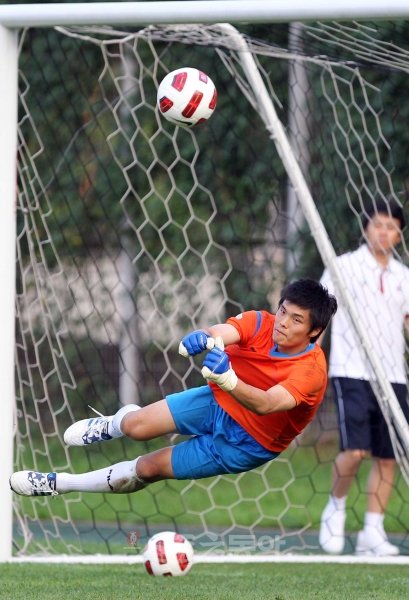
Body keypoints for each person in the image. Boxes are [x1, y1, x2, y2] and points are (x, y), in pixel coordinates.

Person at [10, 279, 337, 500]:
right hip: (216, 402)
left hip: (248, 444)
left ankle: (59, 484)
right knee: (136, 427)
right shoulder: (261, 322)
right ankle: (114, 424)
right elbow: (224, 331)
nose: (282, 322)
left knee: (147, 469)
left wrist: (229, 380)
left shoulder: (311, 371)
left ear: (315, 330)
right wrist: (206, 338)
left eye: (296, 320)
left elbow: (266, 404)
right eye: (283, 311)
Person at [319, 198, 409, 557]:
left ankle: (372, 531)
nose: (384, 231)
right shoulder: (343, 267)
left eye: (392, 226)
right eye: (378, 224)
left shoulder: (404, 276)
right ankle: (335, 509)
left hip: (393, 376)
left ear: (399, 234)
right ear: (366, 227)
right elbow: (321, 317)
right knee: (355, 450)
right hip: (351, 370)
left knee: (388, 457)